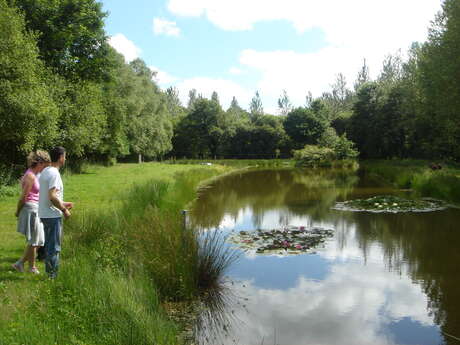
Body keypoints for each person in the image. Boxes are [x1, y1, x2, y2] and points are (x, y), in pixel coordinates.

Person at [12, 150, 51, 274]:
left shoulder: (34, 175)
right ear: (39, 163)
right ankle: (29, 267)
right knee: (36, 240)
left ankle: (22, 264)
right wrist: (18, 211)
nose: (45, 168)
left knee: (38, 240)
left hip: (35, 208)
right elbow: (23, 197)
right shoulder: (30, 176)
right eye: (44, 165)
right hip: (30, 209)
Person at [38, 147, 73, 279]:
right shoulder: (54, 173)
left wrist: (63, 203)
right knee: (54, 248)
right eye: (64, 156)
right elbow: (52, 196)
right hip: (52, 216)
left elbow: (50, 197)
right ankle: (52, 278)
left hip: (45, 214)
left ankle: (50, 275)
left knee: (49, 246)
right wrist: (64, 210)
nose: (65, 158)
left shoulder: (46, 171)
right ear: (60, 157)